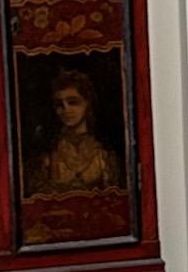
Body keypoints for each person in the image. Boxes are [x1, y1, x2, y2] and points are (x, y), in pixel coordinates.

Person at [29, 66, 121, 196]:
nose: (66, 110)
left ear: (87, 103)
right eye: (59, 105)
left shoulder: (103, 153)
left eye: (73, 102)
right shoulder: (48, 152)